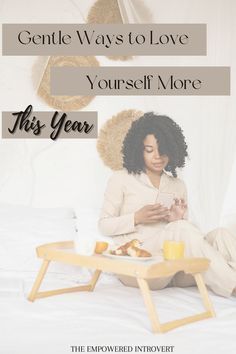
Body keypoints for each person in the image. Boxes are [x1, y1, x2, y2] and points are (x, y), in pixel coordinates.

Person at [98, 112, 236, 297]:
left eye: (163, 150)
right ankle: (233, 286)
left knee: (222, 234)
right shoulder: (121, 179)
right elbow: (104, 225)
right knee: (181, 229)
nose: (157, 156)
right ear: (138, 150)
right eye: (149, 150)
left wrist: (176, 219)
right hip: (140, 268)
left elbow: (189, 238)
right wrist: (136, 218)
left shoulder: (177, 185)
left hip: (174, 271)